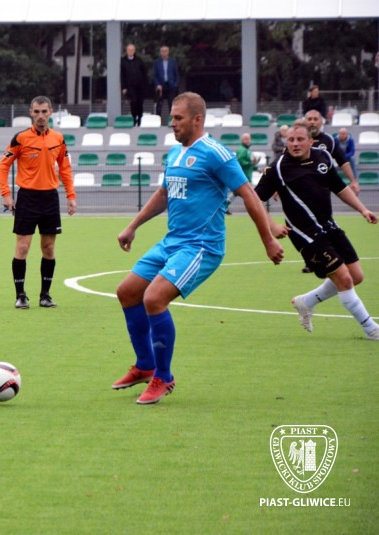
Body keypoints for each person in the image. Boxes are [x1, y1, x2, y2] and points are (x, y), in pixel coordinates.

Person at [111, 92, 284, 404]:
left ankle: (164, 376)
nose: (172, 123)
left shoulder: (217, 154)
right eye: (172, 117)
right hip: (172, 242)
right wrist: (133, 226)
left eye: (178, 118)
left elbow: (248, 194)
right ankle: (146, 365)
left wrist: (268, 239)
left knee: (154, 298)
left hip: (202, 247)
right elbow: (164, 194)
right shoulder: (175, 153)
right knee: (127, 292)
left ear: (197, 119)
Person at [254, 121, 378, 341]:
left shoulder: (323, 158)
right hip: (304, 232)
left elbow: (339, 187)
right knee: (344, 279)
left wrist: (363, 209)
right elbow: (255, 200)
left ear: (311, 141)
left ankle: (307, 301)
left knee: (356, 276)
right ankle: (371, 329)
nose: (295, 144)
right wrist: (271, 226)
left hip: (328, 225)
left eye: (300, 139)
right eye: (291, 140)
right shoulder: (279, 167)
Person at [0, 96, 77, 309]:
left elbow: (65, 168)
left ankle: (45, 295)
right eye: (36, 112)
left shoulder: (58, 139)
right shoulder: (21, 138)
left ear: (50, 112)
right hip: (27, 198)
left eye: (44, 111)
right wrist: (6, 194)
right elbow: (3, 166)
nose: (40, 116)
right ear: (31, 113)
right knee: (23, 246)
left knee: (48, 248)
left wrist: (71, 196)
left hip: (50, 198)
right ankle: (20, 295)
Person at [120, 43, 149, 126]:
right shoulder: (123, 61)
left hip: (140, 86)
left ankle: (139, 118)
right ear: (126, 51)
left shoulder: (139, 60)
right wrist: (123, 87)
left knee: (140, 102)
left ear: (134, 51)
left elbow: (144, 73)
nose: (130, 51)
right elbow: (122, 75)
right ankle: (133, 118)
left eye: (132, 50)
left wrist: (144, 84)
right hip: (130, 86)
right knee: (133, 102)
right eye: (129, 50)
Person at [152, 45, 179, 120]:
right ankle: (157, 121)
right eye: (162, 51)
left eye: (165, 51)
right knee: (159, 106)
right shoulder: (156, 62)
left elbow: (176, 75)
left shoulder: (173, 62)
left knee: (172, 105)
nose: (164, 53)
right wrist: (157, 84)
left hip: (171, 86)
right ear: (160, 53)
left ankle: (172, 121)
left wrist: (175, 85)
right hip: (161, 87)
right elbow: (154, 75)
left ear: (168, 52)